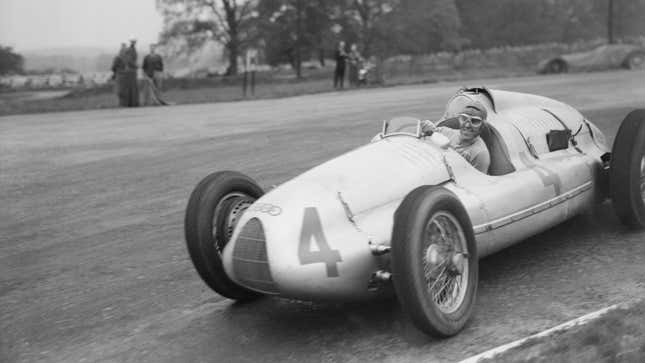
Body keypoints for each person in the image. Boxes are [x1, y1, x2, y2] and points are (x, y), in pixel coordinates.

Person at [421, 101, 491, 173]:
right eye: (464, 119)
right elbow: (428, 133)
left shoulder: (480, 154)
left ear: (482, 126)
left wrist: (459, 161)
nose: (467, 125)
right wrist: (426, 127)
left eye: (475, 121)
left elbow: (477, 182)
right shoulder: (445, 132)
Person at [122, 38, 139, 107]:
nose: (134, 43)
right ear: (131, 42)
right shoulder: (129, 50)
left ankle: (133, 103)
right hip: (130, 71)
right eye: (133, 42)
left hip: (132, 70)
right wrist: (136, 66)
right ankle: (130, 103)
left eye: (134, 42)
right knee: (130, 88)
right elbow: (129, 60)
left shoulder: (133, 50)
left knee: (133, 87)